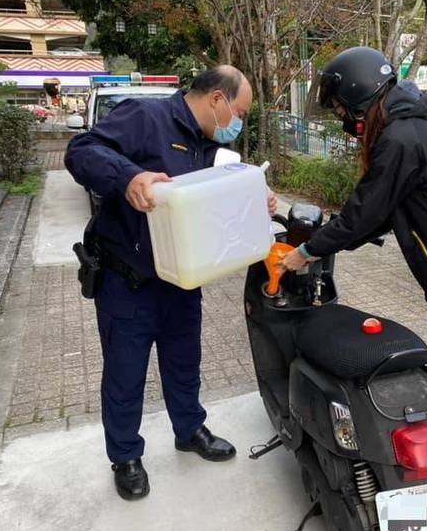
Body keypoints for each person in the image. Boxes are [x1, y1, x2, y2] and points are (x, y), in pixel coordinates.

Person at [280, 48, 427, 458]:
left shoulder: (400, 137)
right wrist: (343, 235)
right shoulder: (405, 130)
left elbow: (365, 211)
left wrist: (307, 251)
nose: (341, 117)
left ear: (358, 94)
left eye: (339, 107)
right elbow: (380, 212)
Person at [65, 66, 277, 500]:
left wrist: (254, 197)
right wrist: (128, 177)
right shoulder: (146, 117)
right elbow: (80, 150)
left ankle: (189, 429)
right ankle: (125, 456)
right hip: (129, 283)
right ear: (217, 99)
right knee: (125, 376)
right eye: (239, 112)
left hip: (181, 282)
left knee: (184, 363)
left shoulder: (209, 147)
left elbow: (206, 203)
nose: (238, 123)